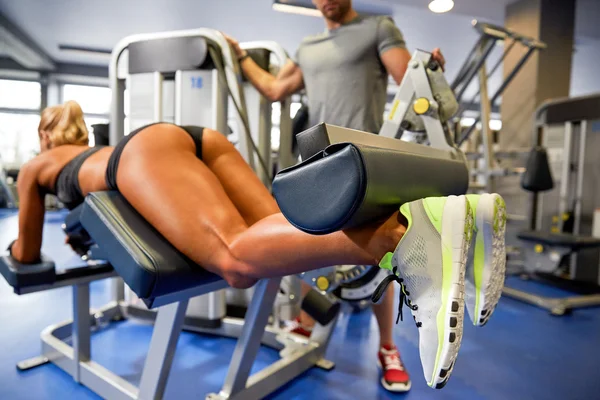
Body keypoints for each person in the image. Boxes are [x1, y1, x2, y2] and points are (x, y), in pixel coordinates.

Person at [9, 100, 505, 389]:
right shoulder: (90, 148)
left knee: (235, 260)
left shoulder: (37, 165)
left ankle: (404, 233)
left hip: (140, 155)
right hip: (194, 139)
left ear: (44, 134)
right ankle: (458, 221)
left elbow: (26, 252)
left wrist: (19, 255)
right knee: (281, 232)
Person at [223, 0, 447, 392]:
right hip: (317, 158)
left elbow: (406, 79)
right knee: (311, 244)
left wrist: (428, 75)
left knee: (378, 253)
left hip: (365, 158)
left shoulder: (379, 27)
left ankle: (388, 348)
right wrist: (240, 56)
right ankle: (307, 324)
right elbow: (275, 89)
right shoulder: (308, 46)